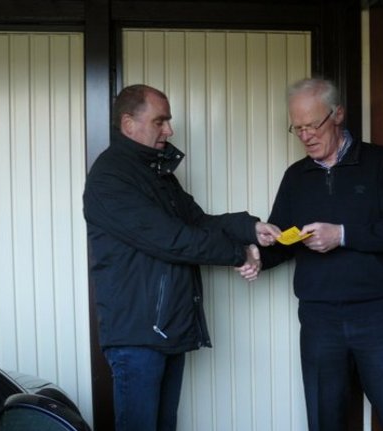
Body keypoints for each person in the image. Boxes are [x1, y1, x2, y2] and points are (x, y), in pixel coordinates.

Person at [83, 84, 280, 431]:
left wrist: (250, 229)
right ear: (129, 124)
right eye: (160, 121)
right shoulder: (111, 178)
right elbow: (171, 240)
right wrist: (238, 254)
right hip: (138, 334)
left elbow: (198, 223)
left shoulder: (156, 175)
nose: (169, 131)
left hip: (162, 328)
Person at [252, 78, 383, 430]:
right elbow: (283, 243)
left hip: (377, 313)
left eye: (313, 125)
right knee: (324, 419)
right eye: (298, 128)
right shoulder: (295, 177)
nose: (306, 135)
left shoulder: (379, 163)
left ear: (338, 114)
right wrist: (257, 255)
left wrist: (341, 235)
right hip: (319, 318)